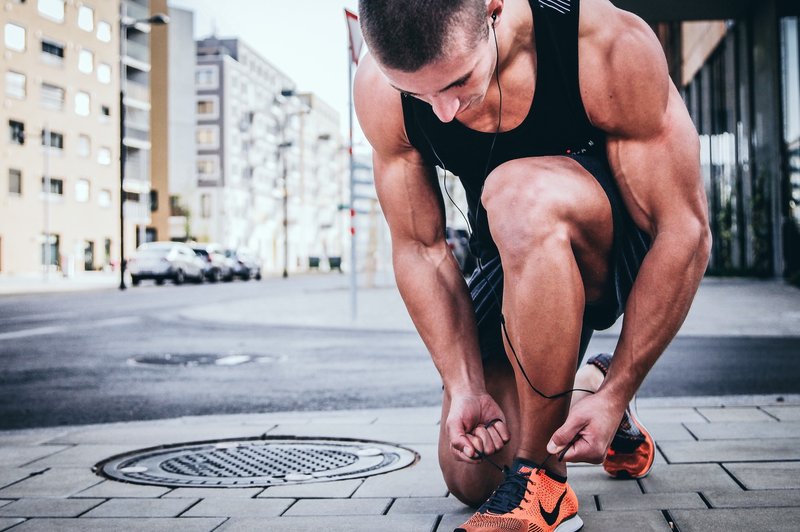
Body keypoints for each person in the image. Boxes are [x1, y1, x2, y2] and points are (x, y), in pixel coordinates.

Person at [354, 0, 711, 530]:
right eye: (418, 94)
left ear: (493, 9)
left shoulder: (601, 41)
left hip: (614, 249)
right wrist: (465, 384)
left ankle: (543, 485)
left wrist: (624, 391)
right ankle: (589, 383)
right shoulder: (381, 86)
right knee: (471, 476)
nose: (442, 112)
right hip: (512, 256)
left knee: (517, 192)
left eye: (456, 81)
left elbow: (685, 230)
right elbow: (419, 248)